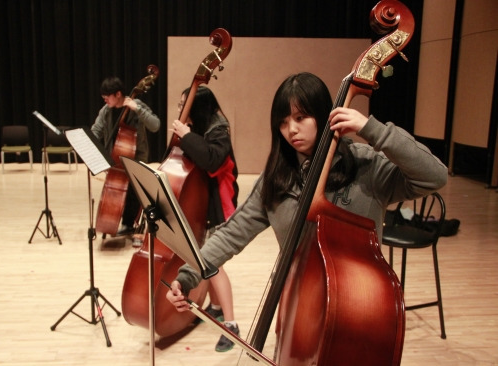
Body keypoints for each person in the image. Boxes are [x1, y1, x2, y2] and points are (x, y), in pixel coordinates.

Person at [166, 72, 448, 349]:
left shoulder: (366, 167)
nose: (291, 130)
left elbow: (433, 176)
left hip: (360, 309)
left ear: (324, 114)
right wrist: (188, 274)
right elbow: (231, 234)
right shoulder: (277, 178)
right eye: (283, 122)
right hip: (299, 305)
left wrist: (373, 130)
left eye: (301, 118)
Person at [170, 86, 240, 352]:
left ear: (199, 108)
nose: (181, 111)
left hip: (220, 203)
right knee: (205, 254)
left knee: (213, 263)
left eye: (185, 106)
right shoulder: (203, 126)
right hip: (205, 203)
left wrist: (187, 136)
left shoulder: (219, 130)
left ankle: (232, 326)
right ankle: (216, 307)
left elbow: (211, 160)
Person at [91, 76, 160, 246]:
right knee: (118, 194)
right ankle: (126, 225)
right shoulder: (106, 111)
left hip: (137, 160)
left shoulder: (137, 106)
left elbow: (155, 125)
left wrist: (137, 109)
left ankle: (137, 229)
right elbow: (96, 131)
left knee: (137, 194)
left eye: (107, 96)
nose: (105, 99)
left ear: (118, 94)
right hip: (115, 162)